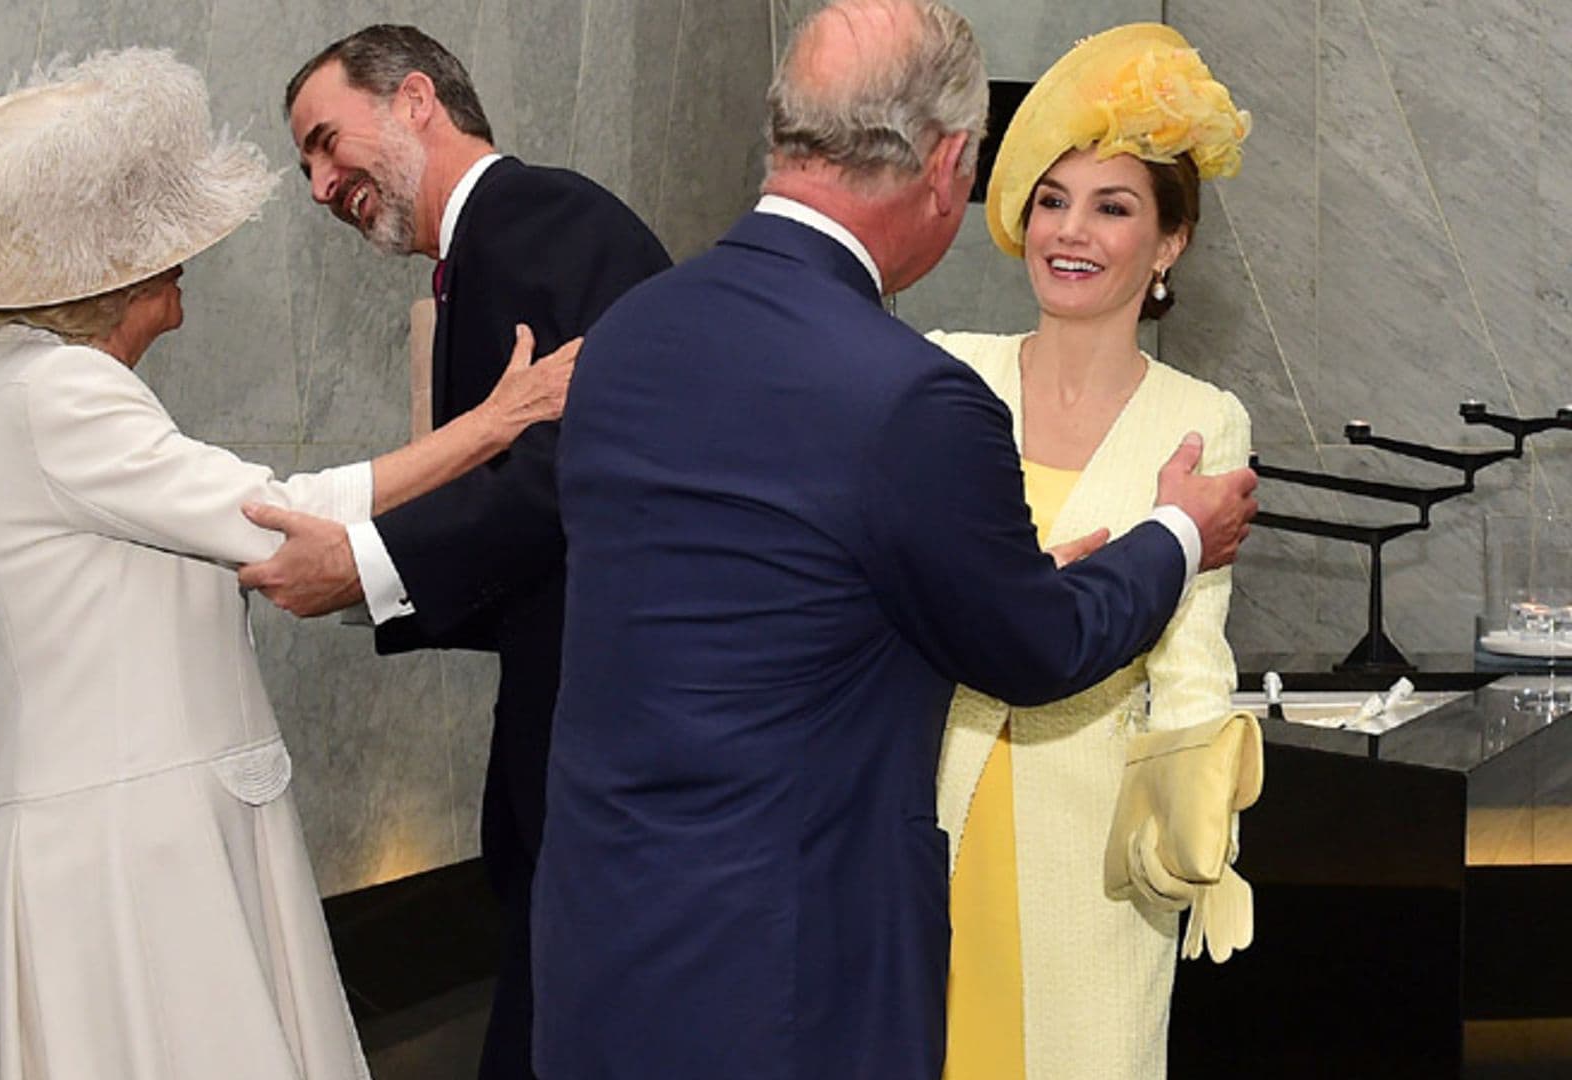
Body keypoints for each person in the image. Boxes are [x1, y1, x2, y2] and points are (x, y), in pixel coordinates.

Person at [533, 2, 1260, 1077]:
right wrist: (1174, 533)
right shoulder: (909, 389)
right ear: (951, 167)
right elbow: (1031, 650)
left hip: (605, 938)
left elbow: (766, 591)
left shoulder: (634, 333)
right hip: (792, 966)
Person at [0, 47, 574, 1080]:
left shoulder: (24, 389)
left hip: (138, 831)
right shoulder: (57, 393)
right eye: (160, 243)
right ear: (103, 277)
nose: (182, 261)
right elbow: (275, 517)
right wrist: (498, 422)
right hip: (139, 852)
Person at [238, 25, 672, 1080]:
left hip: (607, 746)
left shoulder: (545, 219)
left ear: (417, 100)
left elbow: (586, 471)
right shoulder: (482, 253)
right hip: (567, 737)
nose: (316, 182)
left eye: (326, 142)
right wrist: (358, 571)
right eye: (304, 163)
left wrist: (367, 566)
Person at [930, 25, 1254, 1080]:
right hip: (927, 815)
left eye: (1113, 207)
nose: (1070, 230)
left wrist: (1194, 818)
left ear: (1168, 245)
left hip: (1101, 855)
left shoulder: (1202, 417)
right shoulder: (947, 376)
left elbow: (1193, 645)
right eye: (1054, 199)